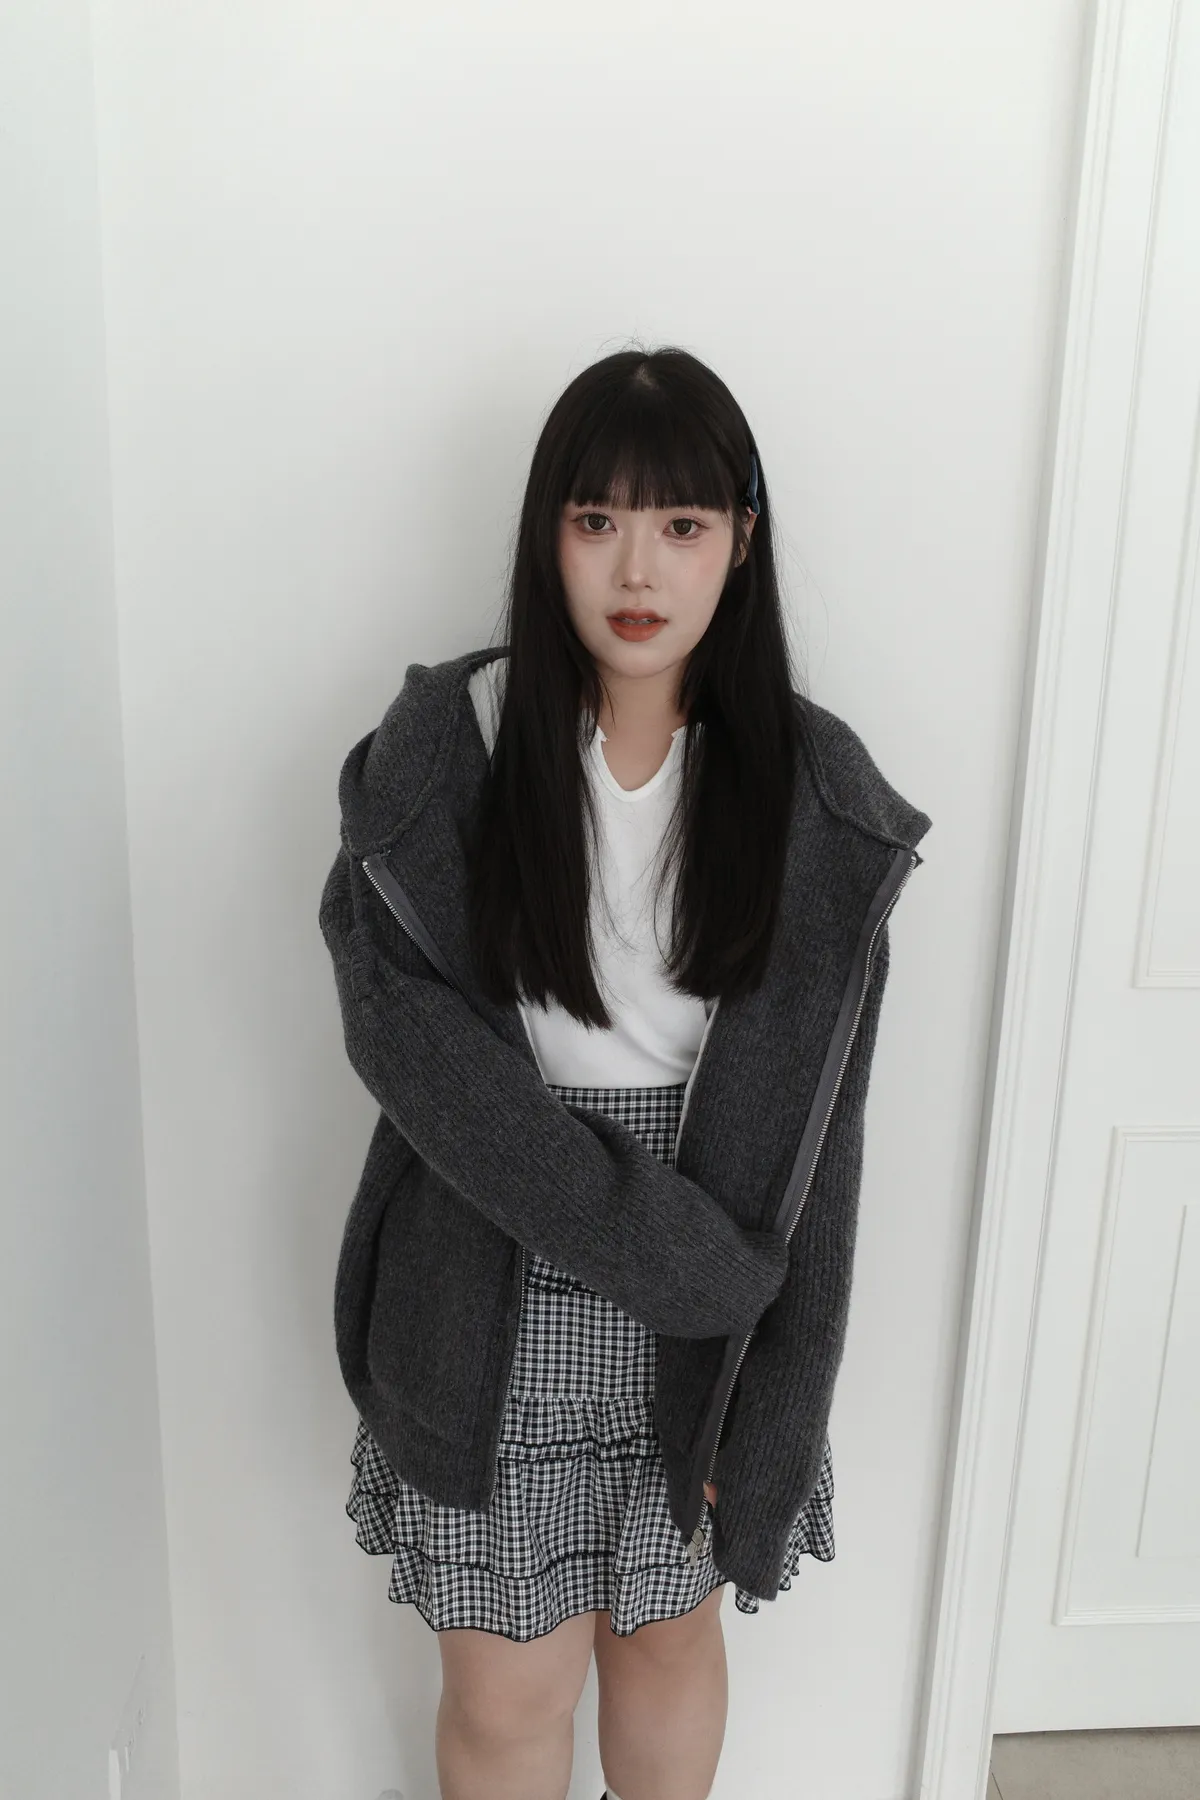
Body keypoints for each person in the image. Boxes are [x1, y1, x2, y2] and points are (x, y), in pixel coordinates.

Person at [319, 345, 932, 1800]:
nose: (637, 568)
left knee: (665, 1640)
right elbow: (407, 1043)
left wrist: (777, 1386)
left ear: (742, 540)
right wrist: (676, 1259)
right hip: (490, 1267)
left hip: (714, 1286)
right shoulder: (445, 753)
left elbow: (824, 1145)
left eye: (682, 524)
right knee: (508, 1684)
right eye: (596, 520)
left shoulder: (815, 798)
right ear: (549, 535)